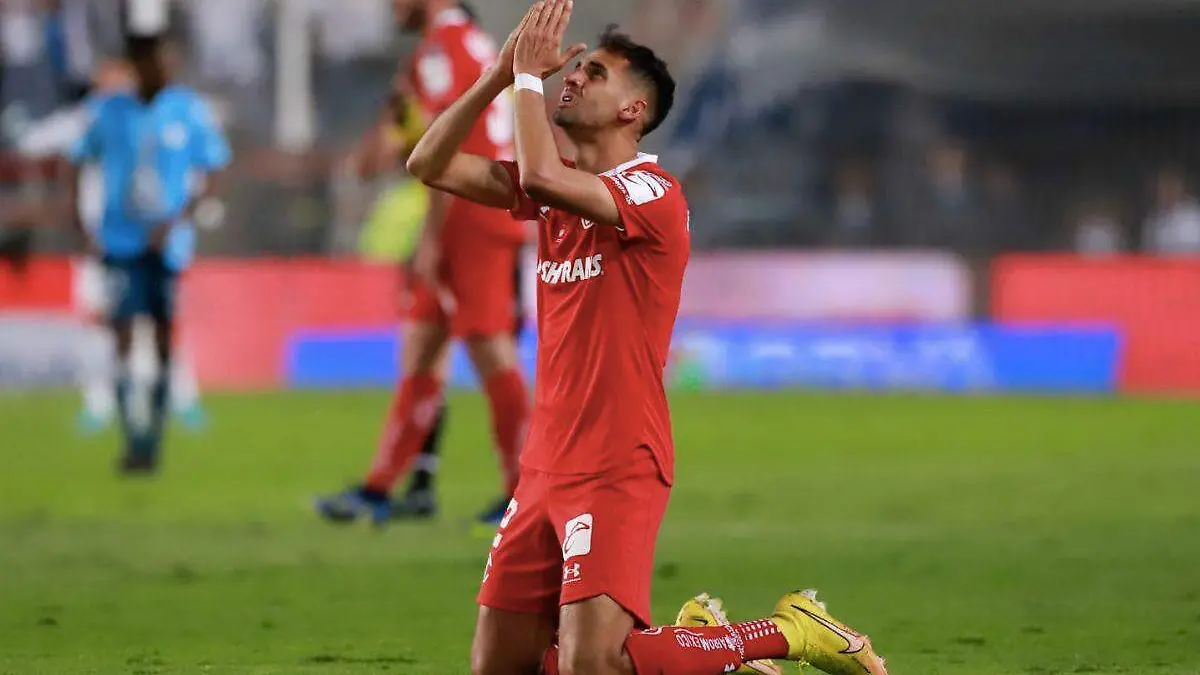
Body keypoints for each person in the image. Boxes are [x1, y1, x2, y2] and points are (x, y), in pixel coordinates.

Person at [404, 2, 890, 674]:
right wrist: (493, 75)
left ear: (633, 110)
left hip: (615, 462)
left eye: (593, 73)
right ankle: (694, 636)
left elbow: (542, 174)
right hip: (544, 464)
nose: (571, 78)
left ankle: (786, 631)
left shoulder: (653, 193)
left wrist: (525, 81)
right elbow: (428, 162)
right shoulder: (556, 192)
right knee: (500, 665)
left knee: (591, 664)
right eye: (573, 70)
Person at [315, 0, 530, 526]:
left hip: (470, 213)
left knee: (489, 349)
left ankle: (526, 493)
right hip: (474, 205)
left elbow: (446, 145)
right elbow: (392, 143)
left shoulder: (443, 45)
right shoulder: (453, 46)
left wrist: (434, 238)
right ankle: (379, 487)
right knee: (421, 344)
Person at [65, 33, 229, 474]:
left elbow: (213, 168)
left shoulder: (187, 110)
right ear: (138, 64)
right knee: (120, 335)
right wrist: (80, 222)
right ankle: (131, 437)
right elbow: (77, 157)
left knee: (162, 337)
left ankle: (153, 438)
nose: (163, 66)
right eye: (153, 60)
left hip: (168, 248)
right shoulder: (110, 110)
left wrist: (181, 220)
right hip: (119, 243)